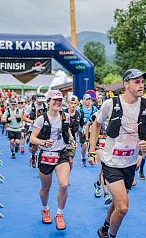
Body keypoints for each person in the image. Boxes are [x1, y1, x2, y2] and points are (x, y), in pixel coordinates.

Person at [89, 69, 146, 238]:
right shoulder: (110, 104)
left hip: (131, 163)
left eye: (142, 82)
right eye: (137, 82)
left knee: (117, 202)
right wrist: (92, 151)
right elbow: (96, 124)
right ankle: (111, 235)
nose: (141, 85)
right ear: (126, 84)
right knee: (123, 207)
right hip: (111, 163)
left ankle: (105, 227)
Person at [30, 89, 71, 231]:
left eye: (60, 100)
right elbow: (32, 138)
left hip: (62, 154)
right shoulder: (41, 119)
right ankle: (45, 209)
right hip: (46, 155)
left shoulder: (65, 116)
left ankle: (59, 214)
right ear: (48, 102)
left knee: (64, 185)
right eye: (55, 100)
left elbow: (67, 131)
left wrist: (71, 138)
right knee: (45, 189)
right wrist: (42, 142)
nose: (58, 102)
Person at [77, 93, 98, 167]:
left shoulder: (94, 108)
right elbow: (77, 119)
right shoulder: (79, 109)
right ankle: (83, 157)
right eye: (87, 99)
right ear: (83, 100)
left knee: (92, 145)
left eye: (89, 99)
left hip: (91, 130)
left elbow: (97, 118)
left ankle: (91, 157)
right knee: (84, 146)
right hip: (82, 129)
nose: (88, 101)